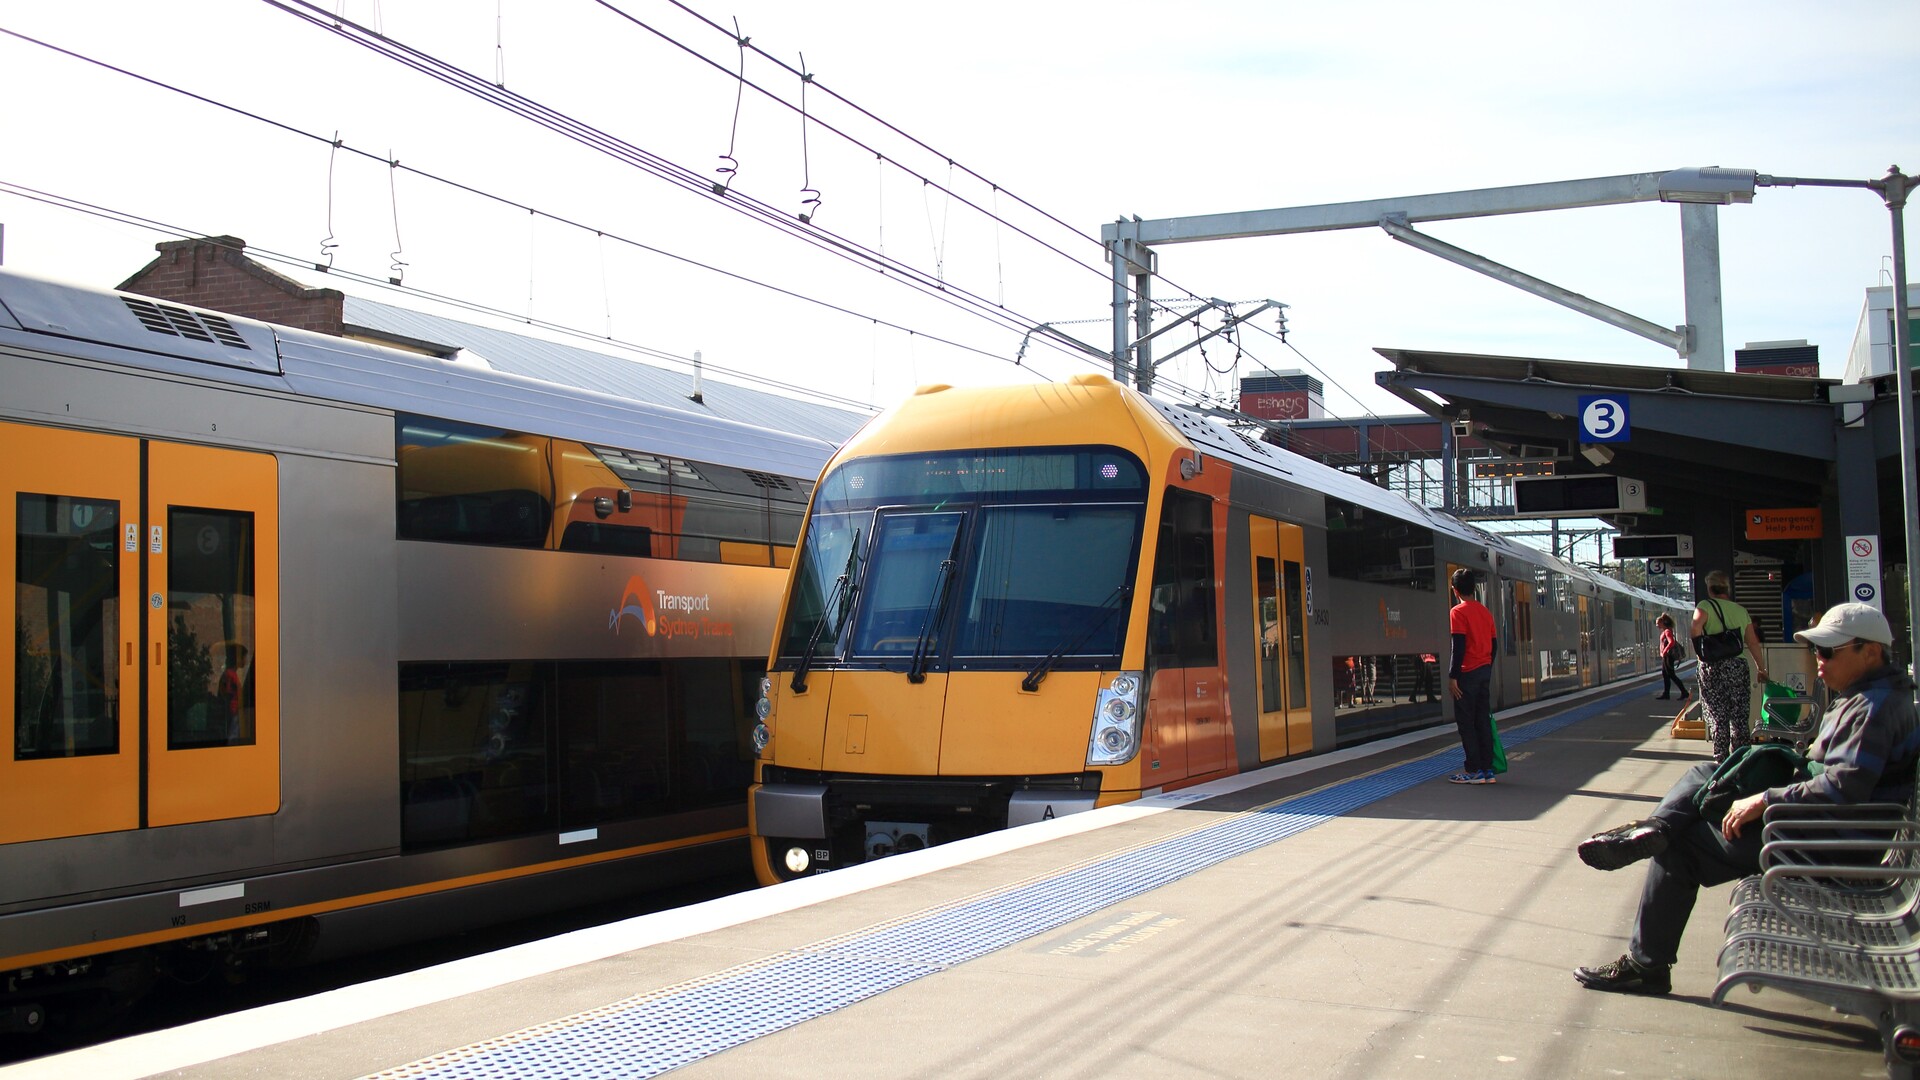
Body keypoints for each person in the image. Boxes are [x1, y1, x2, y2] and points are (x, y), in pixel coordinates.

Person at [1571, 602, 1920, 995]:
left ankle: (1646, 961)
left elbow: (1845, 786)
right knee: (1710, 773)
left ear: (1870, 651)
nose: (1817, 661)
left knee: (1680, 850)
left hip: (1827, 843)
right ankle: (1657, 827)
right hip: (1824, 829)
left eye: (1827, 652)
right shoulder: (1872, 696)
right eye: (1815, 651)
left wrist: (1764, 800)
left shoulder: (1873, 709)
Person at [1692, 570, 1767, 762]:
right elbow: (1752, 642)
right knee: (1740, 715)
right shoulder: (1741, 611)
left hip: (1712, 667)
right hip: (1738, 666)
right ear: (1727, 588)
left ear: (1710, 588)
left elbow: (1695, 630)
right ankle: (1742, 760)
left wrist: (1702, 653)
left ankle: (1721, 761)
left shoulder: (1704, 606)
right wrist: (1761, 668)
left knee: (1718, 715)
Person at [1446, 567, 1498, 785]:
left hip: (1466, 675)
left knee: (1466, 723)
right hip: (1484, 672)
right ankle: (1487, 770)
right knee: (1482, 721)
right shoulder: (1486, 612)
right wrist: (1486, 666)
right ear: (1474, 588)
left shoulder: (1457, 612)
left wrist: (1452, 676)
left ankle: (1473, 770)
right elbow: (1494, 646)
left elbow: (1458, 647)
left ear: (1455, 590)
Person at [1654, 613, 1690, 703]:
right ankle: (1666, 693)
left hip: (1668, 656)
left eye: (1658, 623)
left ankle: (1684, 692)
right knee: (1665, 674)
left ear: (1663, 623)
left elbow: (1671, 642)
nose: (1657, 625)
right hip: (1666, 656)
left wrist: (1665, 651)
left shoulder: (1667, 631)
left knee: (1671, 675)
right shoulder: (1666, 631)